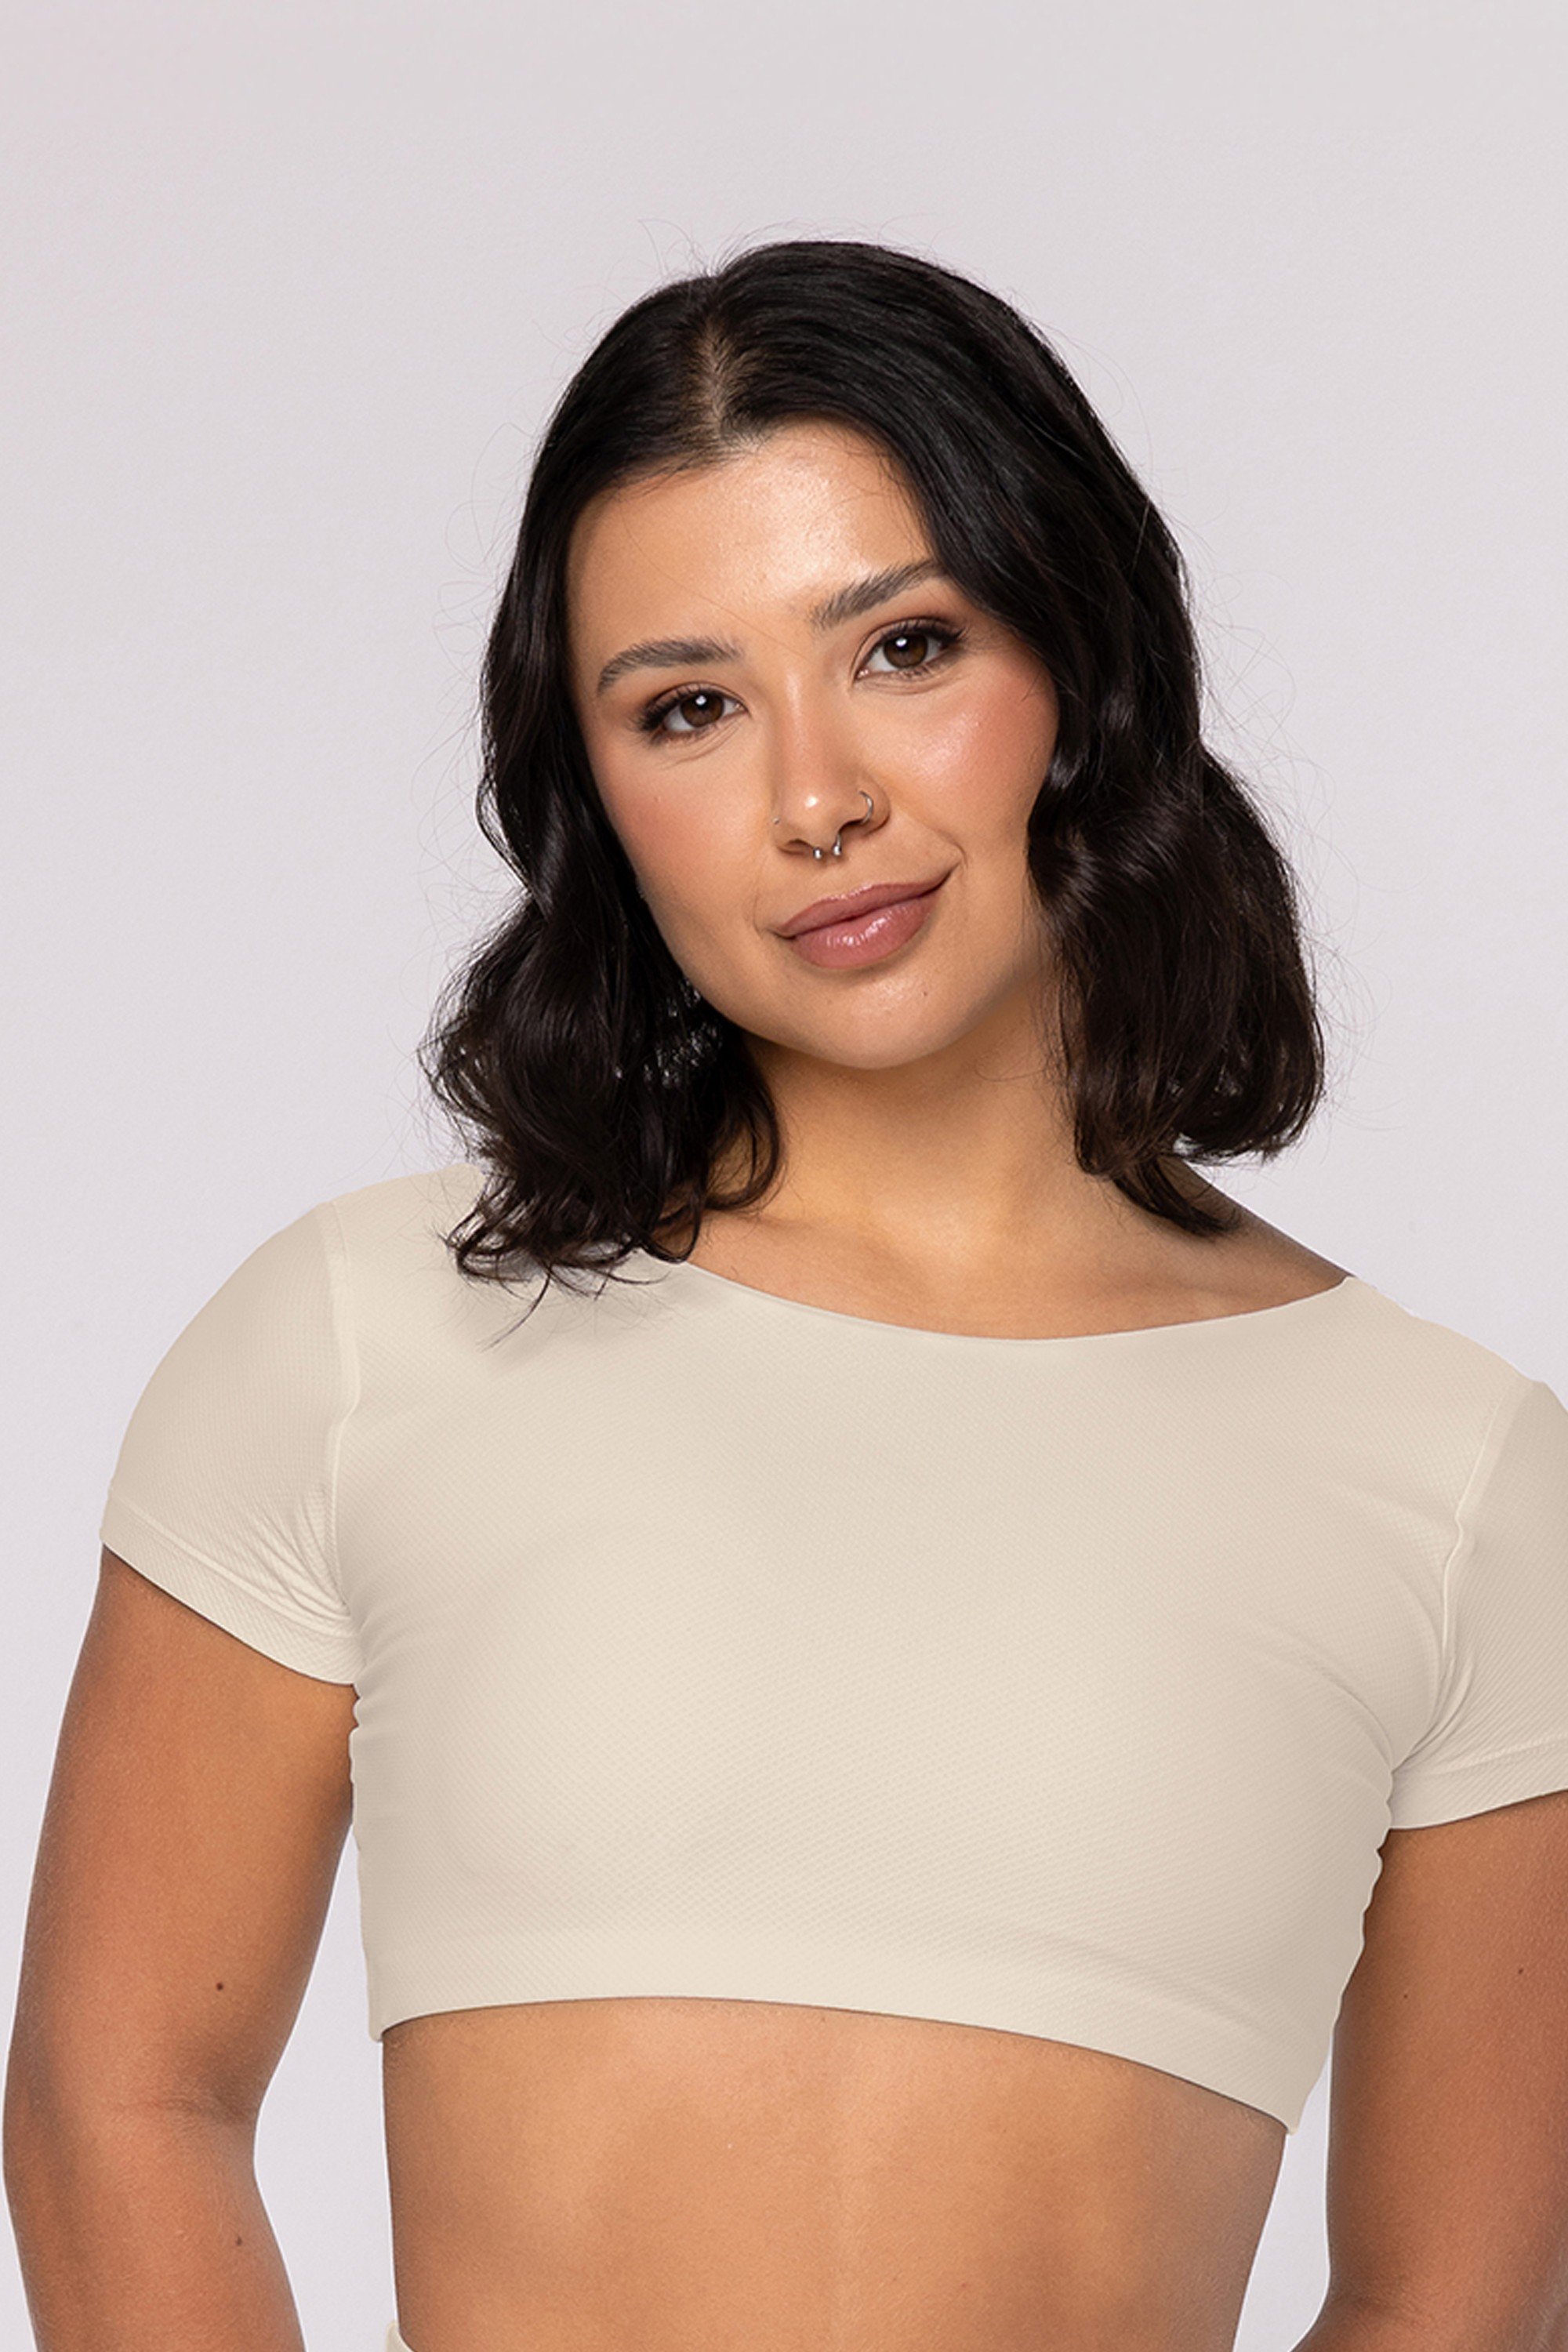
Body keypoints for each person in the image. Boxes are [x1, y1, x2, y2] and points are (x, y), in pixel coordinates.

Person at [8, 238, 1568, 2352]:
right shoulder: (362, 1340)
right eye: (690, 708)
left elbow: (1461, 2302)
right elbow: (119, 2102)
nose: (817, 800)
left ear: (1081, 663)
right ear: (596, 798)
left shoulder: (1458, 1477)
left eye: (905, 647)